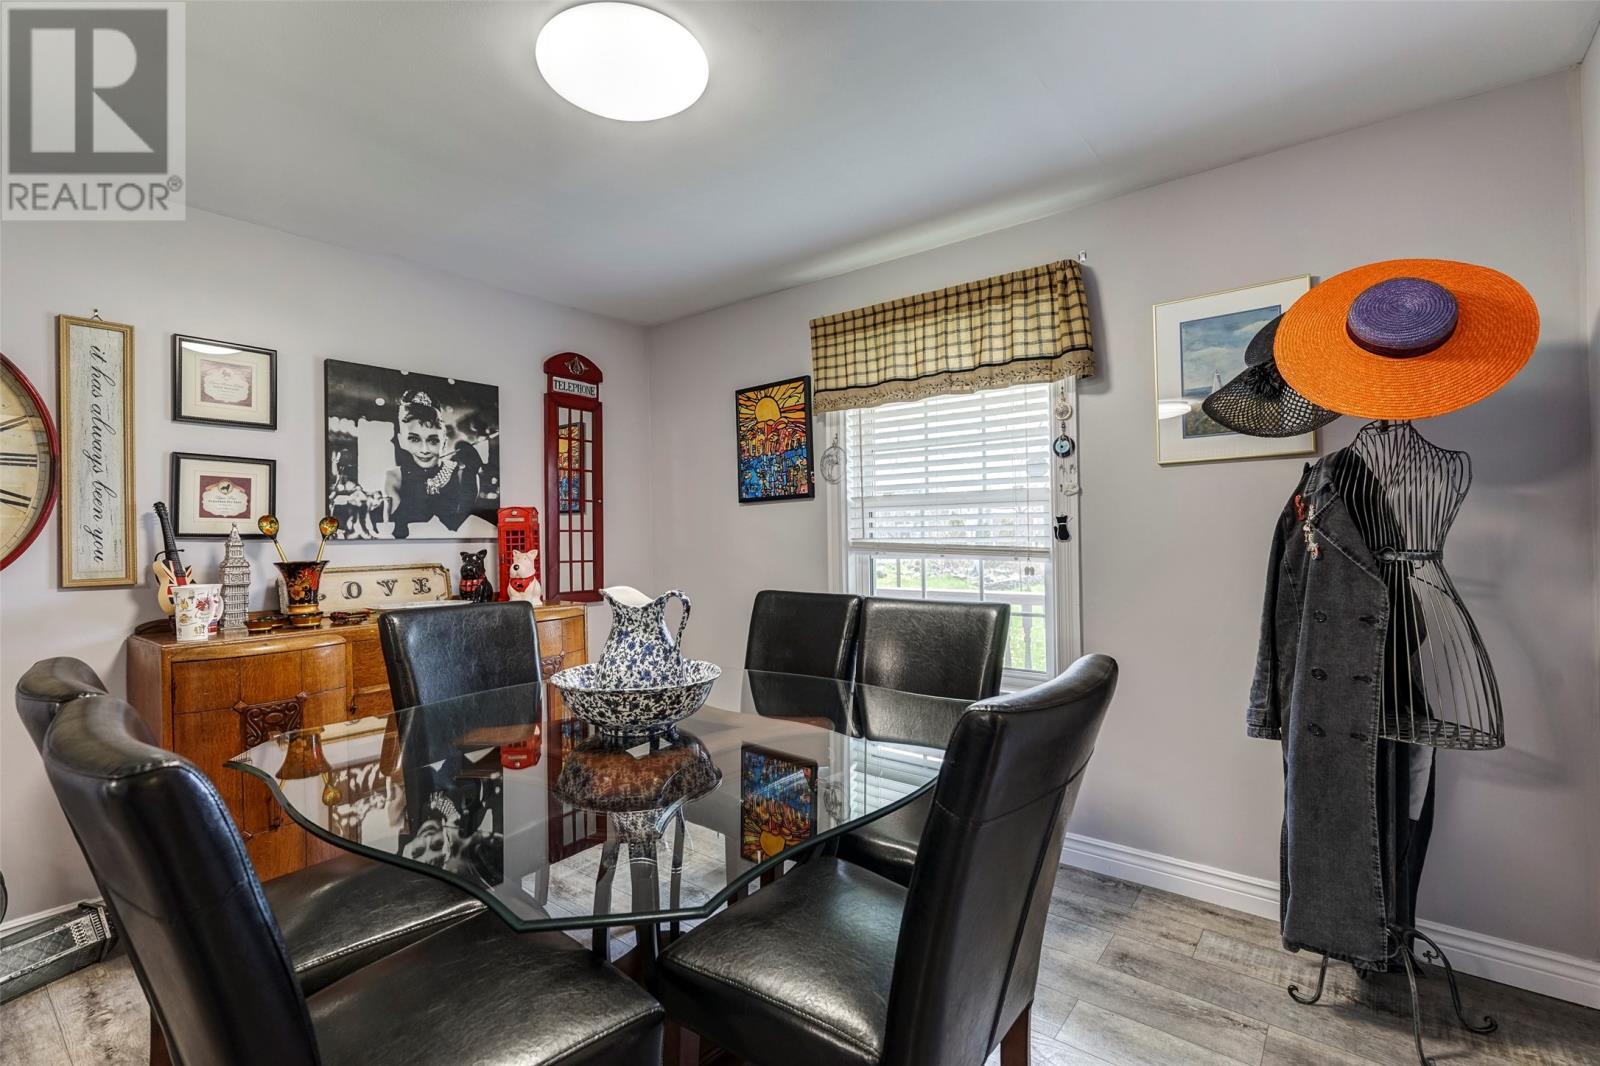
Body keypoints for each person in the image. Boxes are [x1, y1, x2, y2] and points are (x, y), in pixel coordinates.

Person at [385, 389, 485, 538]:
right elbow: (390, 530)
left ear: (444, 441)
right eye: (414, 439)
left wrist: (470, 475)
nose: (424, 450)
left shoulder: (462, 475)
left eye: (433, 440)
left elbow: (464, 528)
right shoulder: (395, 477)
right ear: (401, 440)